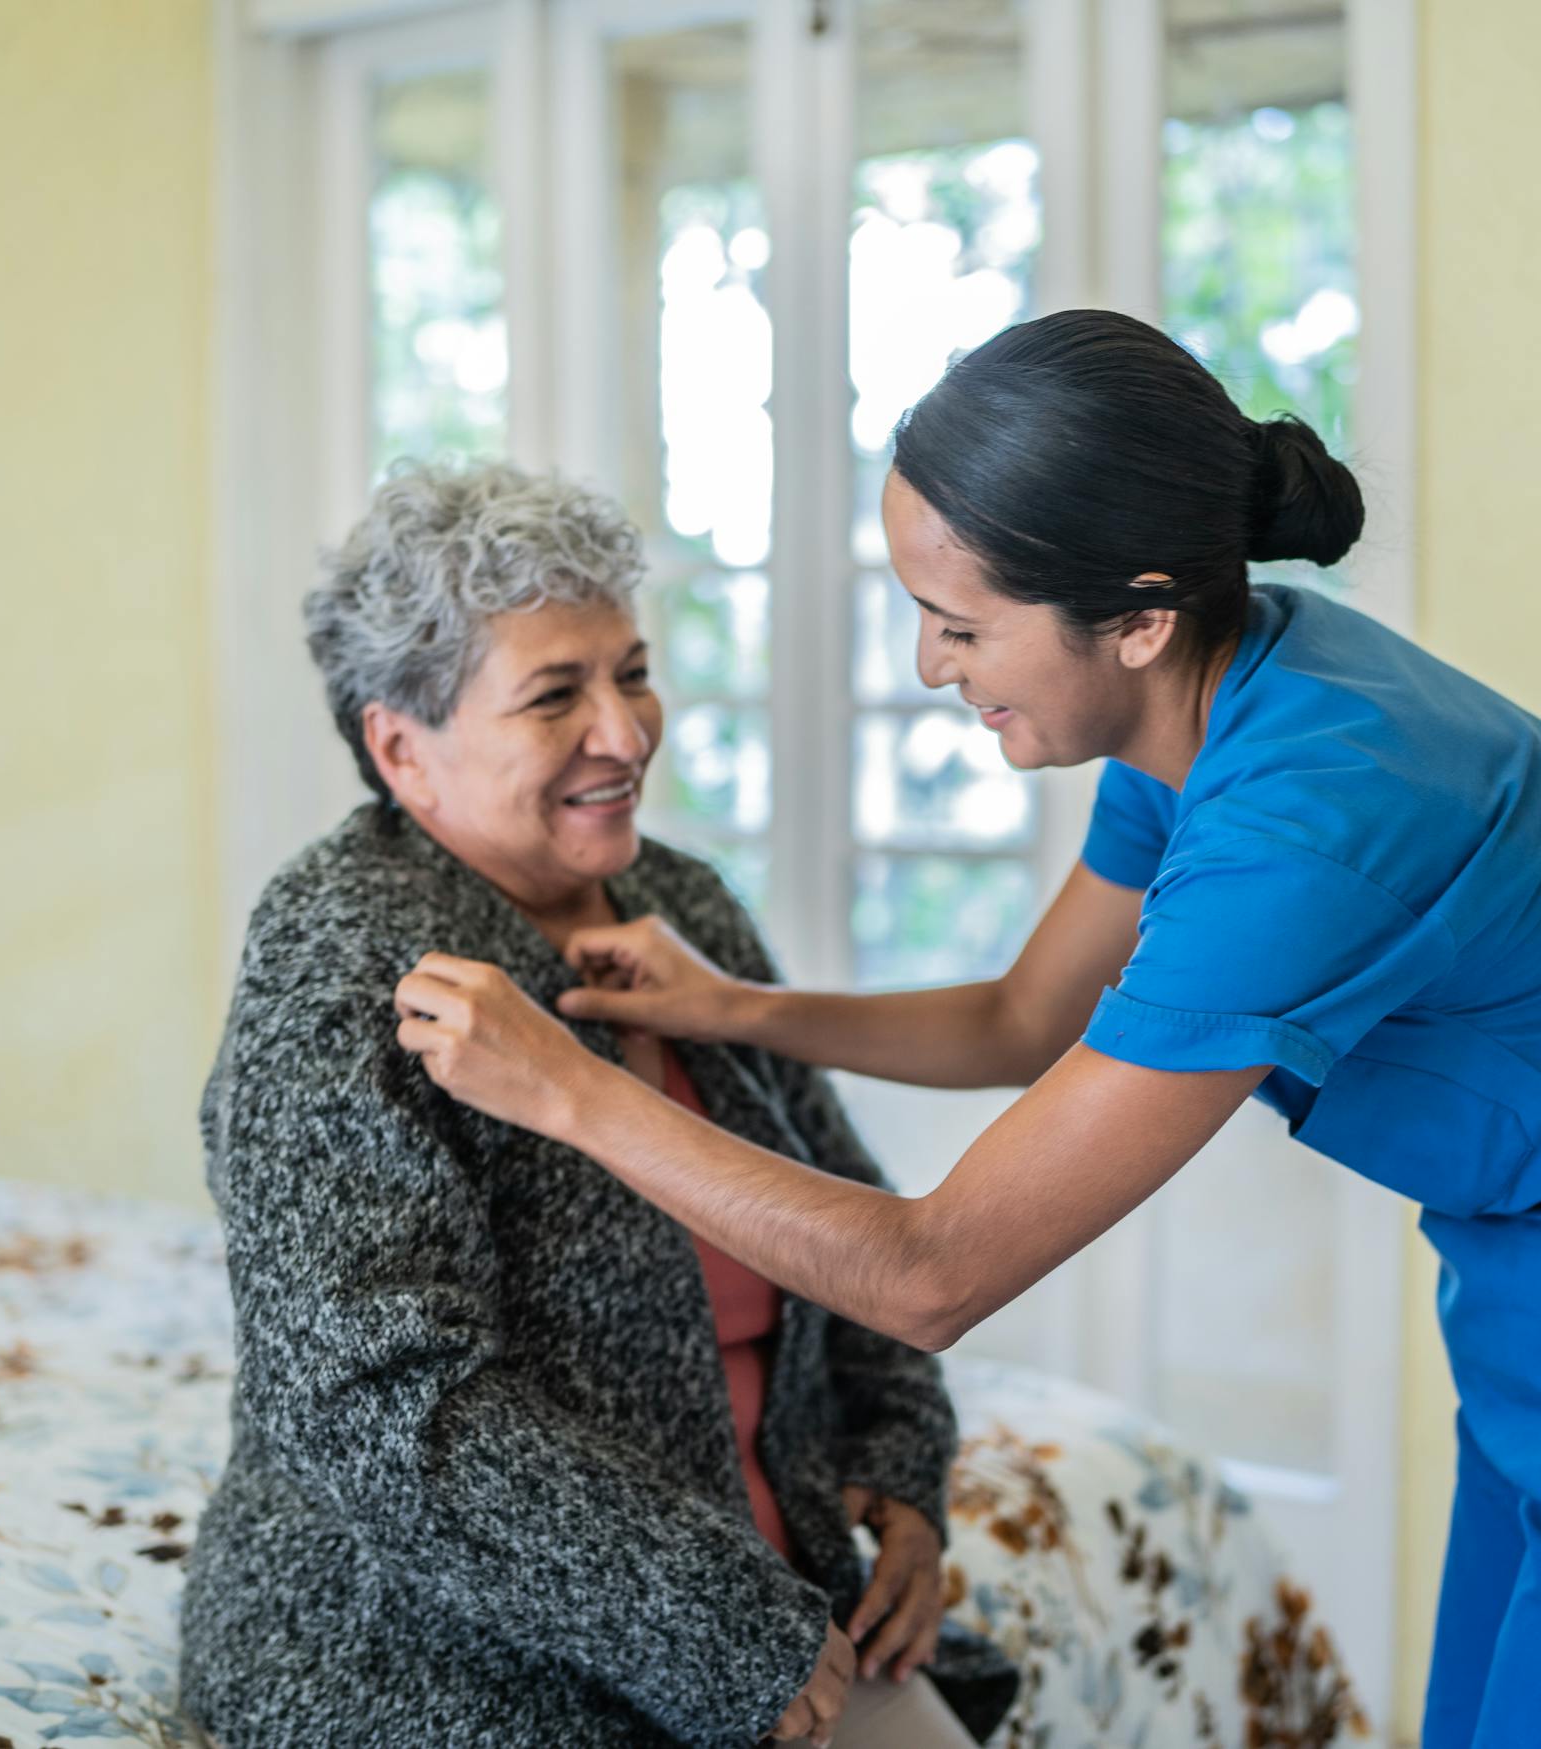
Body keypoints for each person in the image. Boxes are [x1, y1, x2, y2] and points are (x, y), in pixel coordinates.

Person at [393, 311, 1541, 1748]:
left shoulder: (1313, 814)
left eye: (960, 626)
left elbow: (934, 1275)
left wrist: (572, 1094)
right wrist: (739, 1010)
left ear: (1131, 619)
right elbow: (1023, 1017)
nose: (931, 666)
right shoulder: (1193, 710)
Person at [181, 463, 1014, 1749]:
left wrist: (905, 1474)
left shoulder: (674, 900)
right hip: (445, 1656)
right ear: (402, 746)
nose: (624, 733)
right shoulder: (340, 959)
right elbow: (381, 1400)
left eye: (629, 672)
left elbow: (844, 1215)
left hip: (779, 1599)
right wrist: (715, 1626)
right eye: (554, 695)